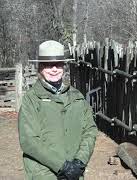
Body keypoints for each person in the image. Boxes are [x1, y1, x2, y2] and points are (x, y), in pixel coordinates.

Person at [18, 40, 98, 180]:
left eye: (58, 64)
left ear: (64, 66)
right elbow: (29, 141)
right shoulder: (31, 100)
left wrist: (79, 162)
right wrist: (61, 166)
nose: (54, 69)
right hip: (44, 174)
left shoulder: (76, 97)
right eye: (48, 65)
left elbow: (90, 130)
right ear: (40, 67)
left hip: (74, 174)